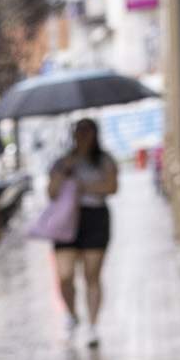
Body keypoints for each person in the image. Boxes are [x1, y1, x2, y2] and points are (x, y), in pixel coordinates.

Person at [45, 117, 119, 346]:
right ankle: (71, 313)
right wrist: (66, 171)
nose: (84, 137)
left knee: (92, 274)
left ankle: (93, 325)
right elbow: (52, 192)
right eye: (80, 132)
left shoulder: (104, 160)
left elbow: (111, 187)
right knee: (65, 275)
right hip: (67, 220)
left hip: (94, 217)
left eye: (88, 133)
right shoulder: (62, 162)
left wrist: (84, 187)